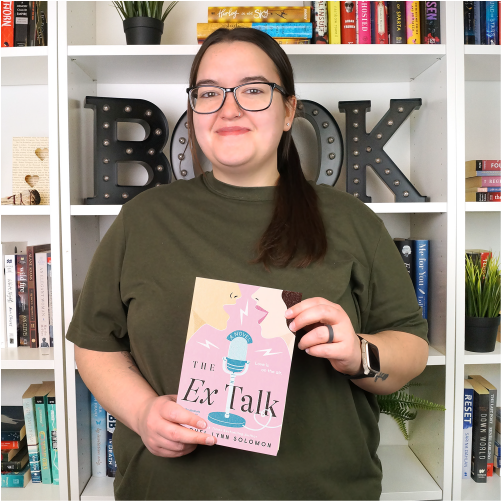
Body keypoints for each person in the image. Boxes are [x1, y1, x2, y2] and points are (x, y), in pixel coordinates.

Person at [66, 28, 429, 500]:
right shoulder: (143, 219)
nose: (228, 108)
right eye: (209, 93)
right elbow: (95, 343)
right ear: (194, 110)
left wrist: (358, 352)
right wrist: (141, 413)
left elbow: (411, 347)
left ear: (289, 111)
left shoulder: (351, 220)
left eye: (254, 90)